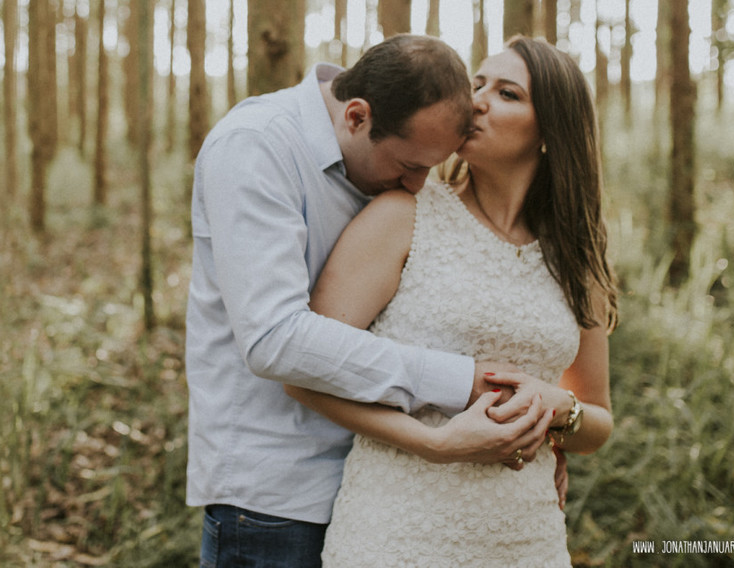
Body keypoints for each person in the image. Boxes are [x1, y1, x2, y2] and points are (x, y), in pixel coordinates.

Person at [186, 35, 555, 568]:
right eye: (408, 165)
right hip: (276, 497)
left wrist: (538, 434)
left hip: (382, 491)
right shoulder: (256, 147)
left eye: (432, 166)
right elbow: (274, 340)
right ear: (356, 116)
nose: (417, 184)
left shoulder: (397, 132)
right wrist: (461, 381)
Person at [286, 35, 619, 567]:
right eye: (477, 84)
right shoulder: (402, 216)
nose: (477, 102)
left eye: (507, 93)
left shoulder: (577, 253)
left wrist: (560, 408)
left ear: (550, 132)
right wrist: (429, 442)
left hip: (526, 540)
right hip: (398, 532)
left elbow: (597, 422)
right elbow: (303, 372)